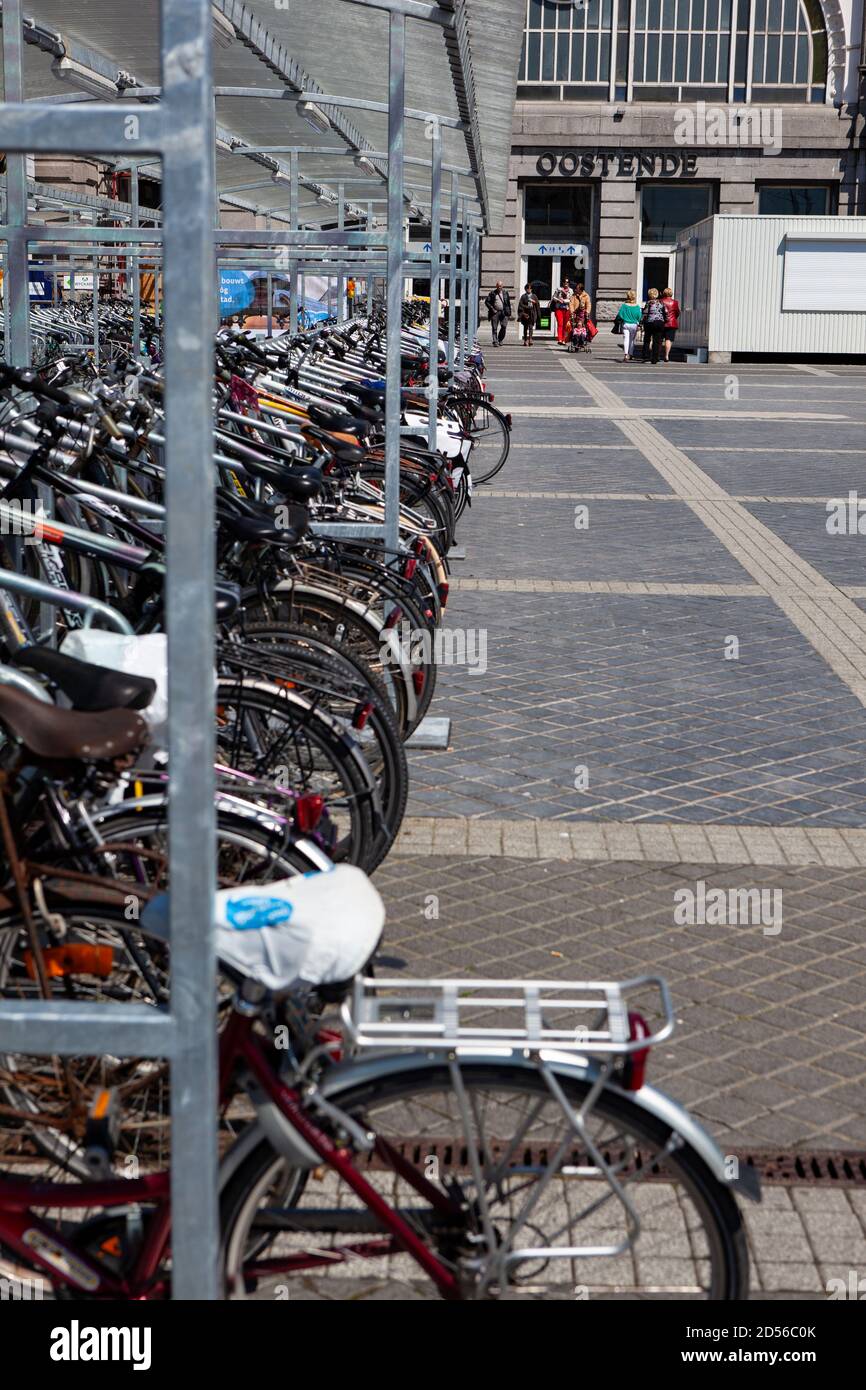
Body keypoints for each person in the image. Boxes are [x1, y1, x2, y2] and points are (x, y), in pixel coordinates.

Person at [615, 289, 642, 362]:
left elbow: (620, 315)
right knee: (632, 340)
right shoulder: (637, 306)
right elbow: (639, 316)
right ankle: (631, 354)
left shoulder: (624, 306)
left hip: (626, 324)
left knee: (626, 339)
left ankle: (626, 354)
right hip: (634, 325)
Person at [641, 287, 666, 364]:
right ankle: (655, 358)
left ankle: (646, 355)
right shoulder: (661, 302)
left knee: (647, 339)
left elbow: (645, 313)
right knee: (657, 341)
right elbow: (665, 312)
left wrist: (642, 321)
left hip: (650, 322)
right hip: (659, 322)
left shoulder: (648, 303)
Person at [484, 280, 511, 346]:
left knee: (504, 326)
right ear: (496, 286)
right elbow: (487, 302)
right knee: (494, 328)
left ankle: (500, 339)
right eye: (498, 286)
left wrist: (509, 312)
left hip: (504, 312)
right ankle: (495, 341)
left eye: (501, 286)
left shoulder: (505, 293)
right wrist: (492, 309)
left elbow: (508, 303)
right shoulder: (492, 293)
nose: (499, 287)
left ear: (502, 286)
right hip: (495, 312)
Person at [567, 282, 592, 353]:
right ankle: (575, 342)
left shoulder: (586, 296)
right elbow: (571, 304)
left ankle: (582, 342)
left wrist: (587, 312)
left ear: (581, 290)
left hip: (583, 316)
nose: (575, 290)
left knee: (584, 328)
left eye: (577, 289)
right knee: (574, 328)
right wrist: (572, 312)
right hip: (575, 315)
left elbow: (589, 305)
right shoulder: (573, 296)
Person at [660, 286, 680, 362]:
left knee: (659, 339)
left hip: (662, 323)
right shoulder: (675, 302)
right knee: (668, 339)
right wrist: (674, 318)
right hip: (672, 323)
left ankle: (657, 354)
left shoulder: (660, 301)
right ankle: (667, 355)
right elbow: (677, 312)